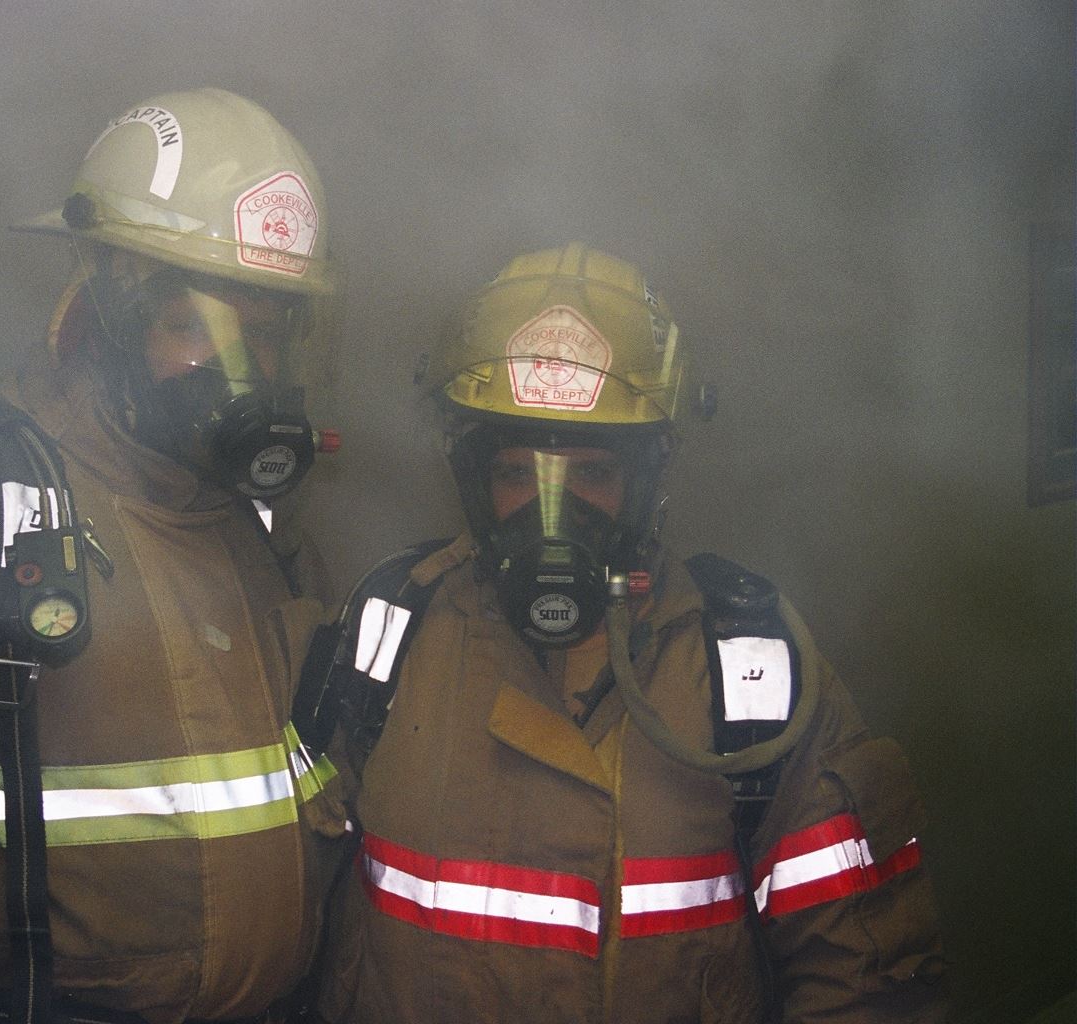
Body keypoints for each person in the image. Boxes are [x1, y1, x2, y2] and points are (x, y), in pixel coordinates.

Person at [305, 245, 947, 1023]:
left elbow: (861, 976)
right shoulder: (392, 628)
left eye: (594, 476)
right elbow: (295, 901)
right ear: (472, 480)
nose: (554, 517)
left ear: (648, 481)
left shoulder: (751, 668)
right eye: (518, 474)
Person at [0, 88, 349, 1024]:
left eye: (266, 335)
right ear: (108, 318)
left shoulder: (268, 535)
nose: (240, 380)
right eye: (196, 326)